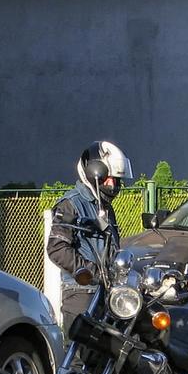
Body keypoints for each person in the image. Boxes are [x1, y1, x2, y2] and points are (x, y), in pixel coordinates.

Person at [47, 140, 131, 330]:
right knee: (80, 348)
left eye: (116, 180)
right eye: (108, 178)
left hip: (106, 292)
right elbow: (57, 248)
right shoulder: (70, 204)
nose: (113, 185)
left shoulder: (105, 207)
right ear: (94, 174)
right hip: (81, 292)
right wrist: (91, 272)